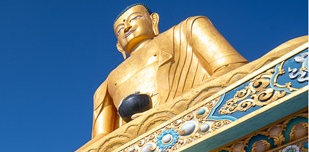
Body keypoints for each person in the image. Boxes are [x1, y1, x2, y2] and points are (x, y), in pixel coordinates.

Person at [91, 4, 247, 139]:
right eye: (119, 30)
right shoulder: (106, 85)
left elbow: (233, 70)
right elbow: (101, 137)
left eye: (134, 18)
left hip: (193, 113)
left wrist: (163, 113)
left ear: (154, 20)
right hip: (131, 136)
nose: (127, 28)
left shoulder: (188, 28)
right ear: (119, 46)